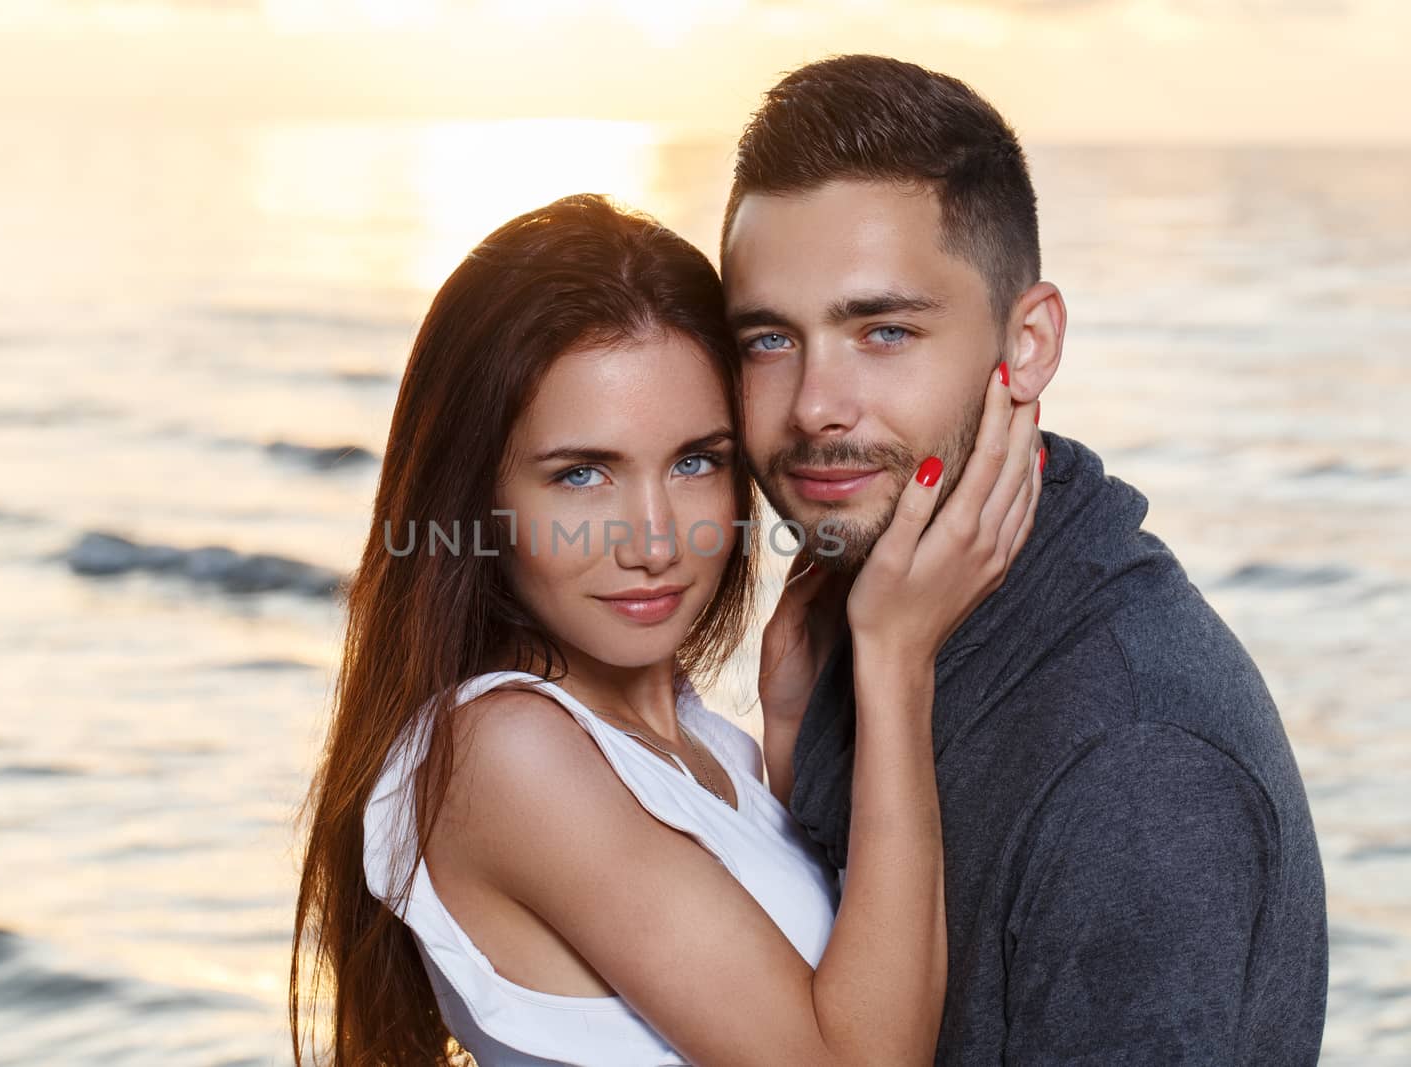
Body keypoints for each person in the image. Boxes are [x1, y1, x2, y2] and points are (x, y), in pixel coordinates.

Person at [289, 192, 1043, 1065]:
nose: (655, 541)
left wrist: (794, 736)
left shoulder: (702, 746)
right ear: (479, 496)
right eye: (581, 475)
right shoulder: (504, 751)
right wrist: (896, 660)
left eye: (696, 461)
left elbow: (817, 978)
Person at [720, 54, 1329, 1064]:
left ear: (1030, 341)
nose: (815, 404)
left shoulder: (1135, 768)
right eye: (768, 339)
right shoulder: (874, 615)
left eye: (883, 329)